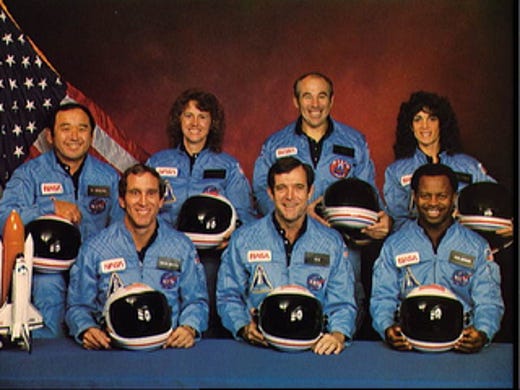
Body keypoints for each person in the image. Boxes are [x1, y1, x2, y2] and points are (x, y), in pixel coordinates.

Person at [252, 71, 391, 335]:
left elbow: (368, 194)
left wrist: (378, 221)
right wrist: (300, 215)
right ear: (296, 101)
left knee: (343, 312)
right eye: (307, 96)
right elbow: (262, 192)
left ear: (332, 100)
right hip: (287, 242)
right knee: (290, 310)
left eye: (321, 96)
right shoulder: (275, 144)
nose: (315, 104)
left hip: (343, 245)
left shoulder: (355, 142)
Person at [383, 90, 514, 342]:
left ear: (442, 123)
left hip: (466, 257)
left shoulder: (468, 166)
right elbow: (397, 222)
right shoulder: (397, 171)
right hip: (415, 260)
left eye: (432, 119)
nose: (425, 126)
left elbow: (497, 202)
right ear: (409, 126)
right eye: (418, 119)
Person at [0, 102, 123, 338]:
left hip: (93, 271)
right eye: (66, 128)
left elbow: (120, 230)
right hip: (46, 272)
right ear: (50, 136)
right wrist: (50, 207)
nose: (74, 136)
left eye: (82, 129)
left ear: (91, 135)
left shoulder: (107, 177)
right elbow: (5, 217)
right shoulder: (30, 174)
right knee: (48, 291)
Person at [217, 157, 358, 355]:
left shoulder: (331, 242)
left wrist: (337, 334)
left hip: (314, 350)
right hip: (260, 349)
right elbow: (228, 296)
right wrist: (242, 327)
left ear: (310, 192)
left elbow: (342, 303)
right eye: (282, 188)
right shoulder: (244, 239)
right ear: (270, 193)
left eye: (298, 187)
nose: (289, 196)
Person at [146, 89, 257, 338]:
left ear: (212, 123)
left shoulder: (228, 166)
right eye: (188, 116)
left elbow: (246, 215)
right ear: (178, 120)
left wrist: (230, 236)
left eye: (203, 117)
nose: (195, 124)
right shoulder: (157, 163)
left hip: (211, 258)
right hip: (166, 254)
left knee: (211, 320)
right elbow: (142, 209)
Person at [65, 164, 209, 350]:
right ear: (122, 200)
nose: (143, 202)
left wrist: (189, 327)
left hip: (167, 351)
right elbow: (77, 306)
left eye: (150, 193)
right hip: (114, 352)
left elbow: (197, 301)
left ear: (160, 200)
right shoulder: (95, 249)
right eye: (134, 193)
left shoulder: (182, 247)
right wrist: (86, 328)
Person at [370, 163, 504, 353]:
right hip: (408, 344)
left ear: (454, 198)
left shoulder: (477, 247)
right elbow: (382, 298)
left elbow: (489, 301)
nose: (433, 203)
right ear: (414, 197)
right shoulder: (394, 245)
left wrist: (482, 332)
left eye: (442, 196)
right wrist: (387, 328)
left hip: (459, 344)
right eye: (425, 195)